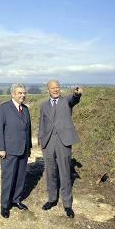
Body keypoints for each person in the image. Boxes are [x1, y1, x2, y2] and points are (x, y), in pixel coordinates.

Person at [38, 80, 82, 218]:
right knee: (50, 172)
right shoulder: (44, 105)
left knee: (64, 173)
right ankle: (52, 200)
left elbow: (74, 99)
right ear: (48, 90)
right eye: (52, 88)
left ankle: (67, 204)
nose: (55, 90)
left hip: (63, 142)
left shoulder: (66, 101)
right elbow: (42, 124)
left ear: (60, 88)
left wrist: (77, 93)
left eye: (57, 87)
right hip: (49, 143)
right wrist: (41, 140)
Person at [0, 83, 32, 219]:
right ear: (13, 94)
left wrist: (29, 148)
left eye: (24, 93)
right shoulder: (4, 108)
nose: (22, 95)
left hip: (23, 150)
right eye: (19, 93)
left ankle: (16, 200)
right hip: (9, 151)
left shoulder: (26, 109)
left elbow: (28, 130)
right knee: (8, 178)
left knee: (20, 177)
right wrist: (1, 148)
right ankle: (5, 205)